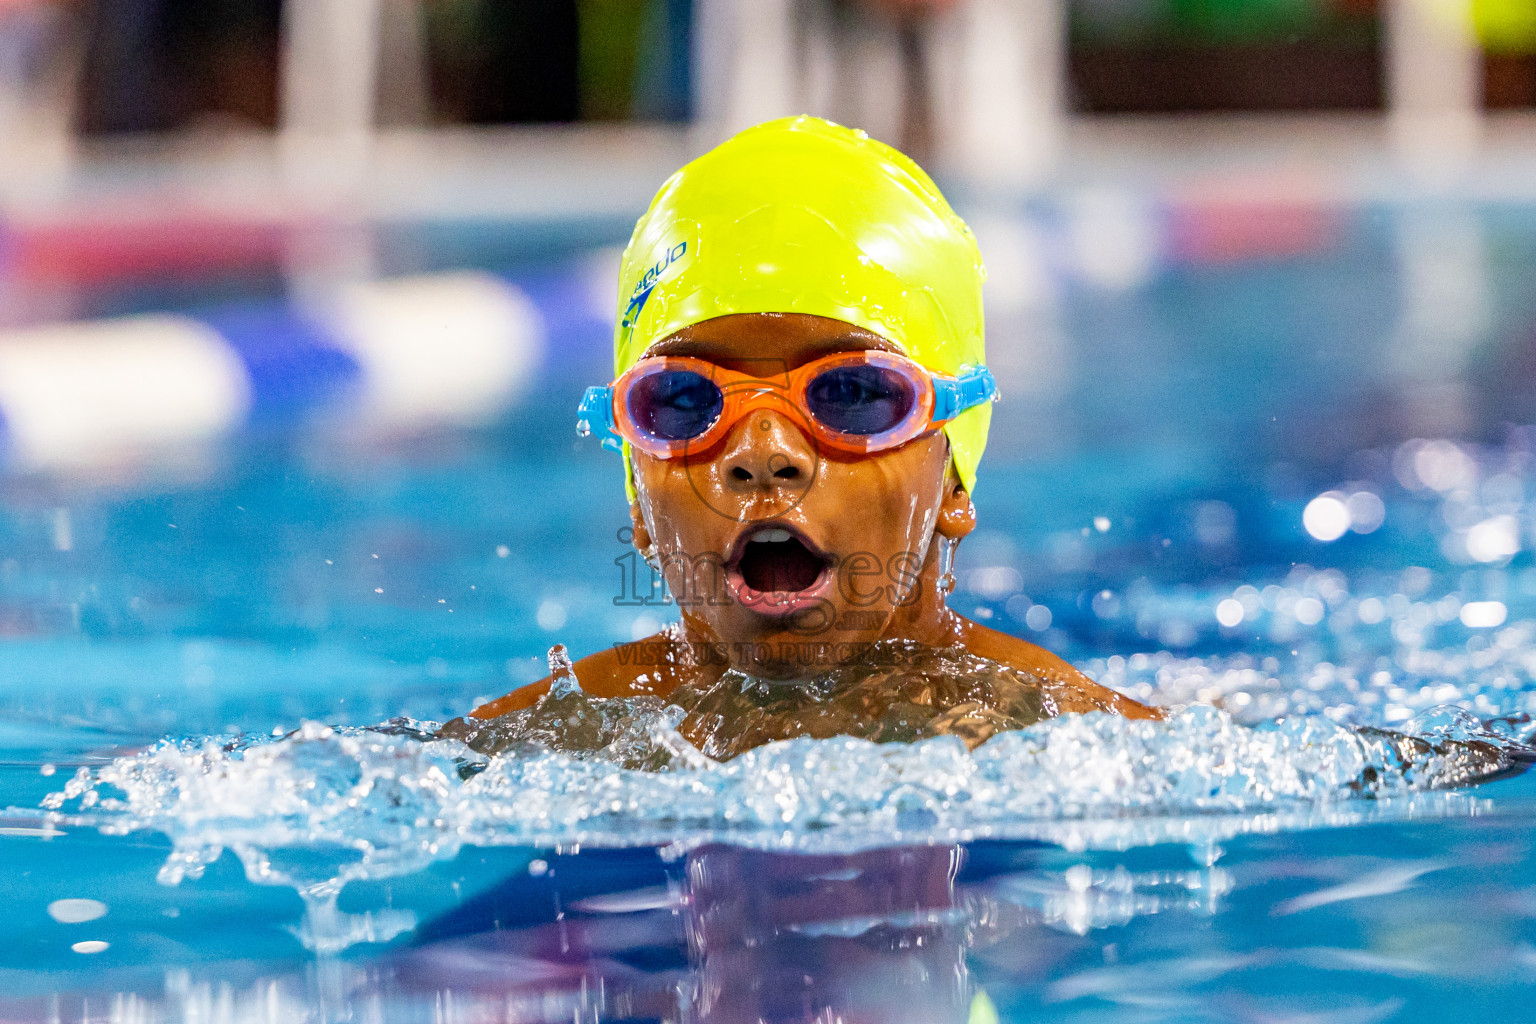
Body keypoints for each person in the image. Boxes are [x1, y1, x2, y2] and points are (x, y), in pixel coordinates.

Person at [455, 116, 1155, 754]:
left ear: (952, 480)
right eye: (683, 401)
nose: (762, 452)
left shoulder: (1083, 739)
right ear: (637, 495)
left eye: (852, 395)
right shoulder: (537, 743)